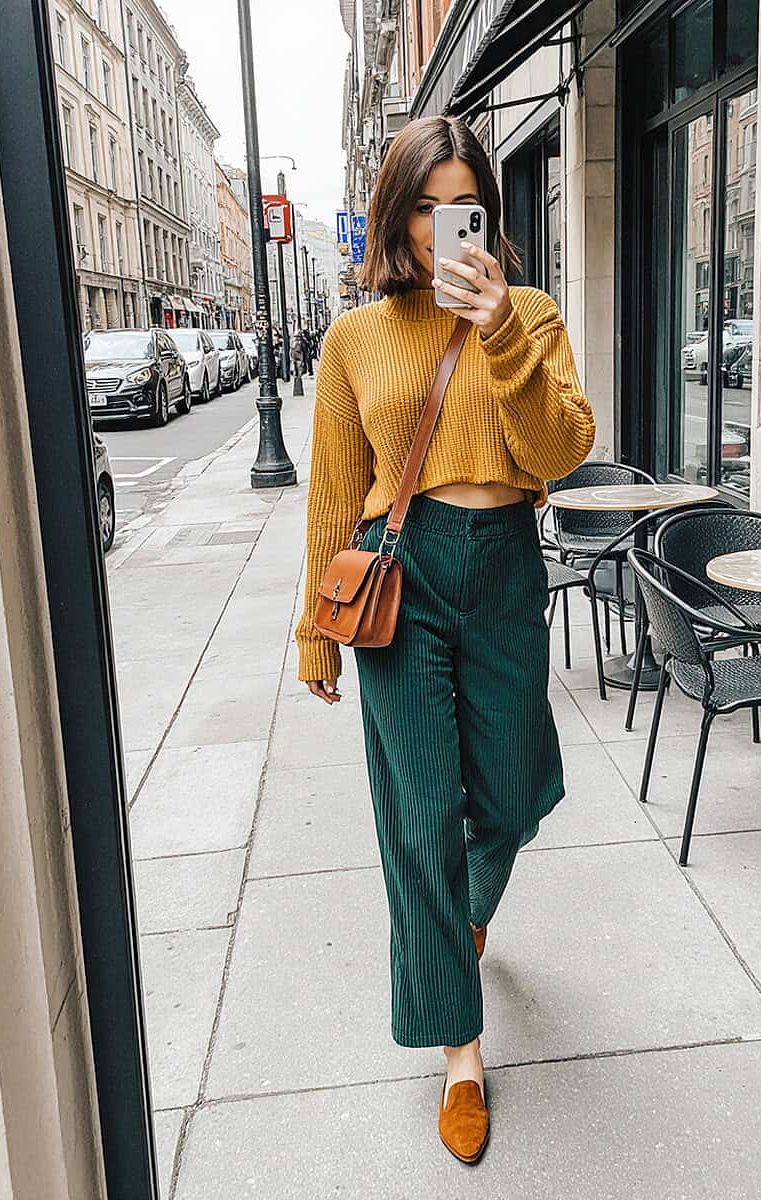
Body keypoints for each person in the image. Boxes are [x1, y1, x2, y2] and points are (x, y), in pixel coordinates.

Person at [293, 115, 595, 1164]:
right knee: (418, 818)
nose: (438, 228)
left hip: (505, 564)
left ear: (487, 215)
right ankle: (459, 1052)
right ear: (394, 212)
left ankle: (464, 919)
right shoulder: (354, 338)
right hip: (400, 573)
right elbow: (334, 491)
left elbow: (557, 448)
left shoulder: (534, 314)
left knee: (506, 799)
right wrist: (313, 637)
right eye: (421, 205)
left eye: (458, 206)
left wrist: (503, 329)